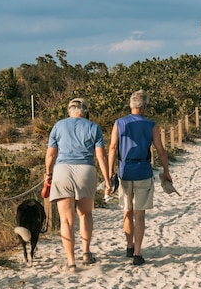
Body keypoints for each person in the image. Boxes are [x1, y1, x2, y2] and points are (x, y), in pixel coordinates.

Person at [108, 90, 172, 266]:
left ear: (131, 105)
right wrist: (166, 170)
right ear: (144, 106)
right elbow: (160, 150)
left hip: (124, 170)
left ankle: (129, 245)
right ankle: (137, 253)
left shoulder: (119, 123)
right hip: (143, 170)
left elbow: (113, 148)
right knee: (139, 214)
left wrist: (109, 172)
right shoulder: (151, 124)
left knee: (126, 211)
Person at [46, 98, 111, 272]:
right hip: (85, 170)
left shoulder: (58, 126)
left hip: (63, 170)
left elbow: (51, 155)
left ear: (69, 110)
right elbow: (101, 156)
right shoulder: (93, 127)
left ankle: (71, 261)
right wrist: (107, 179)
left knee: (66, 220)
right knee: (85, 213)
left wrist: (48, 174)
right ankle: (86, 252)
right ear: (85, 111)